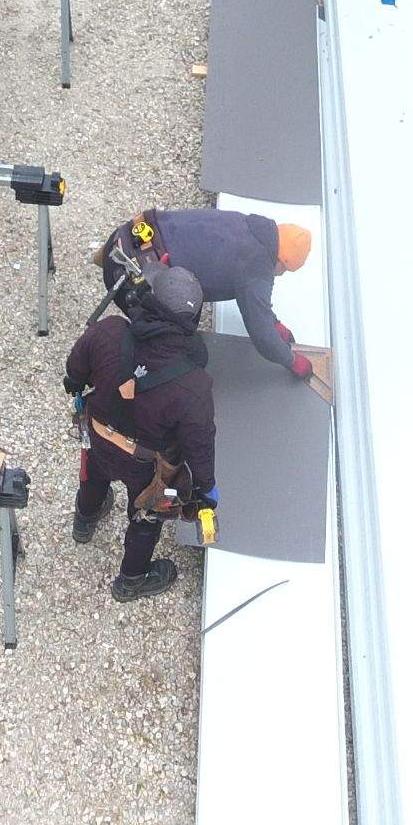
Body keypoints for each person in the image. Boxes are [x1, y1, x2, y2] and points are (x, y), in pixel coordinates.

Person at [65, 282, 217, 604]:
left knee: (94, 476)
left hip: (97, 436)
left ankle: (85, 520)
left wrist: (78, 384)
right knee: (146, 514)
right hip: (144, 463)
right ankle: (132, 579)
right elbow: (199, 443)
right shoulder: (194, 384)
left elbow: (74, 371)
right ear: (192, 321)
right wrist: (206, 487)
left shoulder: (109, 331)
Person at [121, 207, 314, 376]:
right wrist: (292, 360)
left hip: (133, 233)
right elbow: (262, 335)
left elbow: (260, 309)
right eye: (285, 271)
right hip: (132, 275)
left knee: (186, 297)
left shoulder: (245, 223)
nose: (280, 275)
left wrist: (273, 322)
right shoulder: (257, 268)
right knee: (188, 353)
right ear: (282, 261)